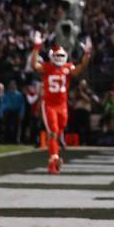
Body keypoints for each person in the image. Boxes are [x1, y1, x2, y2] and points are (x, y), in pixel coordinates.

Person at [30, 32, 92, 173]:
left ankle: (53, 161)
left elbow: (80, 69)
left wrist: (86, 55)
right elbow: (34, 64)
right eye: (56, 56)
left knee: (59, 131)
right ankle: (54, 157)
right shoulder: (47, 67)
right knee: (52, 132)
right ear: (52, 56)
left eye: (61, 56)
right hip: (50, 105)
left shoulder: (68, 67)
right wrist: (36, 47)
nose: (58, 58)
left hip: (62, 106)